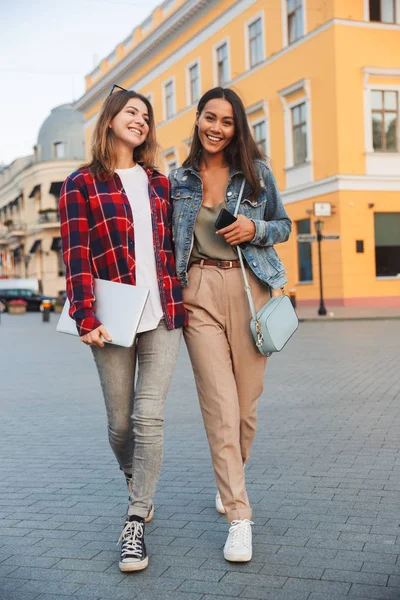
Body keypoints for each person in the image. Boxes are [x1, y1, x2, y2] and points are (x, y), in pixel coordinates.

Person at [59, 86, 186, 572]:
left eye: (147, 116)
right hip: (112, 316)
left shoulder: (159, 183)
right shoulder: (82, 183)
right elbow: (75, 253)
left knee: (148, 418)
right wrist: (84, 316)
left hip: (164, 313)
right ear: (110, 120)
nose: (141, 120)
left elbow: (177, 243)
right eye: (132, 112)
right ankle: (137, 478)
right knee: (120, 423)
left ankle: (135, 518)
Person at [170, 87, 291, 563]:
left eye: (226, 121)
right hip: (197, 293)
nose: (216, 128)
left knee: (245, 408)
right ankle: (240, 516)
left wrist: (254, 229)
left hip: (249, 289)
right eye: (209, 118)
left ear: (238, 127)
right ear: (197, 120)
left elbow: (282, 224)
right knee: (220, 407)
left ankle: (230, 475)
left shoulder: (257, 173)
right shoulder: (179, 179)